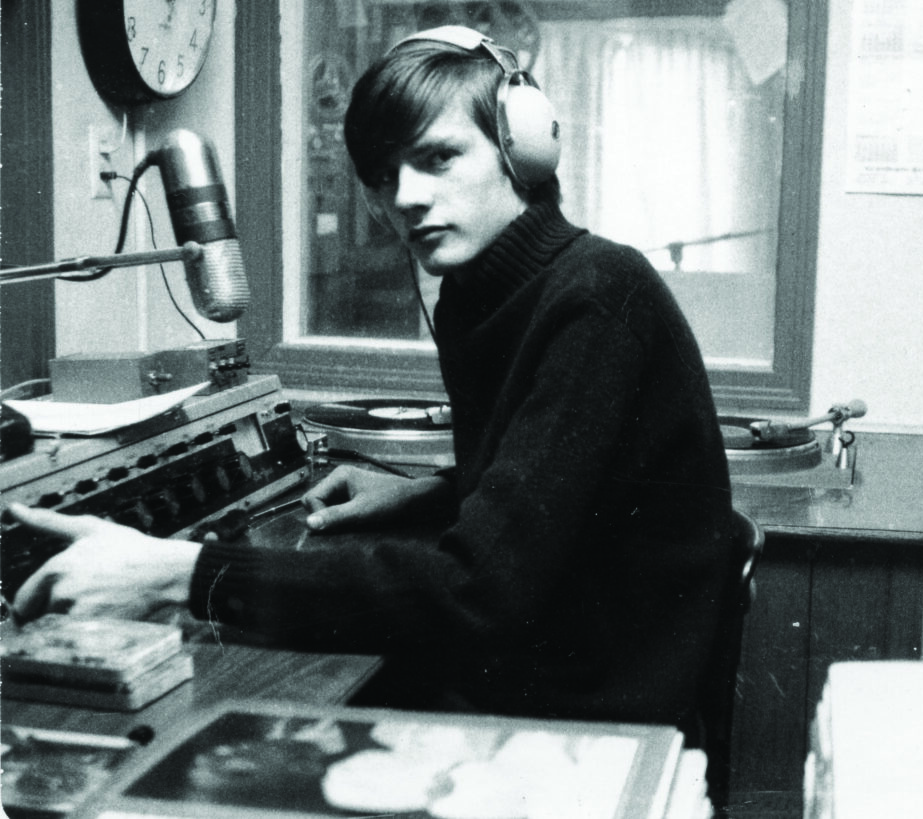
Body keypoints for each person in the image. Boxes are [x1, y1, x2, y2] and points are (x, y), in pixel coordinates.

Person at [9, 26, 732, 735]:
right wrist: (430, 490)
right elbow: (565, 487)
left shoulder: (597, 295)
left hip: (594, 719)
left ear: (523, 152)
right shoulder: (486, 294)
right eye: (384, 176)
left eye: (438, 157)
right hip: (542, 678)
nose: (404, 198)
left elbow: (479, 591)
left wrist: (183, 572)